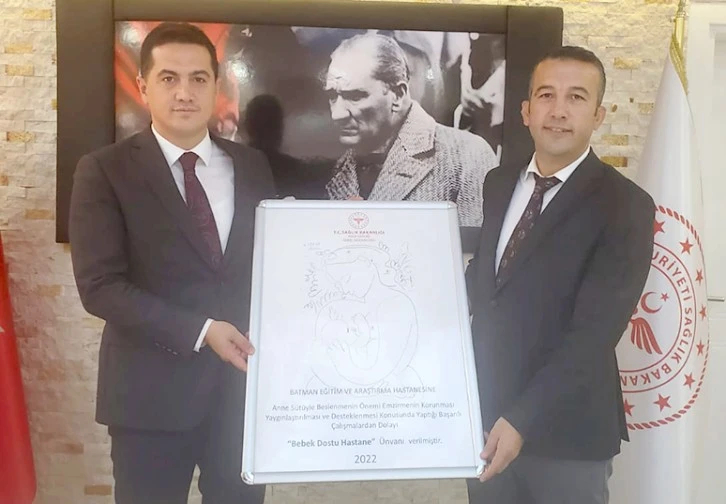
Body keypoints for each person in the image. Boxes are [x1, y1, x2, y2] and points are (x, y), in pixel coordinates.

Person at [68, 22, 275, 504]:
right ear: (143, 86)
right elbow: (100, 286)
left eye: (198, 78)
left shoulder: (252, 166)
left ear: (217, 85)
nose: (185, 92)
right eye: (169, 78)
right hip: (149, 402)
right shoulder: (104, 170)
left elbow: (274, 259)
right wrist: (202, 331)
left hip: (242, 397)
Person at [465, 46, 656, 503]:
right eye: (547, 95)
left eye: (576, 97)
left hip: (567, 436)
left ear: (598, 115)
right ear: (526, 111)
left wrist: (521, 420)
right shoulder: (498, 183)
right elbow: (485, 287)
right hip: (485, 423)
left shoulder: (626, 205)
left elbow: (594, 334)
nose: (559, 110)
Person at [323, 33, 498, 227]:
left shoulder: (467, 156)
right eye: (332, 96)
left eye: (355, 96)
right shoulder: (334, 167)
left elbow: (477, 245)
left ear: (398, 95)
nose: (337, 115)